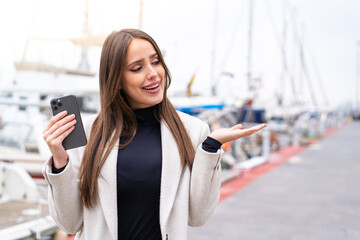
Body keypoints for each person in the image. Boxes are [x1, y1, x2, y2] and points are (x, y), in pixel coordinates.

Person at [42, 29, 266, 240]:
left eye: (156, 61)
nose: (153, 74)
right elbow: (69, 224)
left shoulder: (193, 131)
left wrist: (211, 147)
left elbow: (198, 216)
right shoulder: (89, 134)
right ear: (116, 80)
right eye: (137, 68)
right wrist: (60, 162)